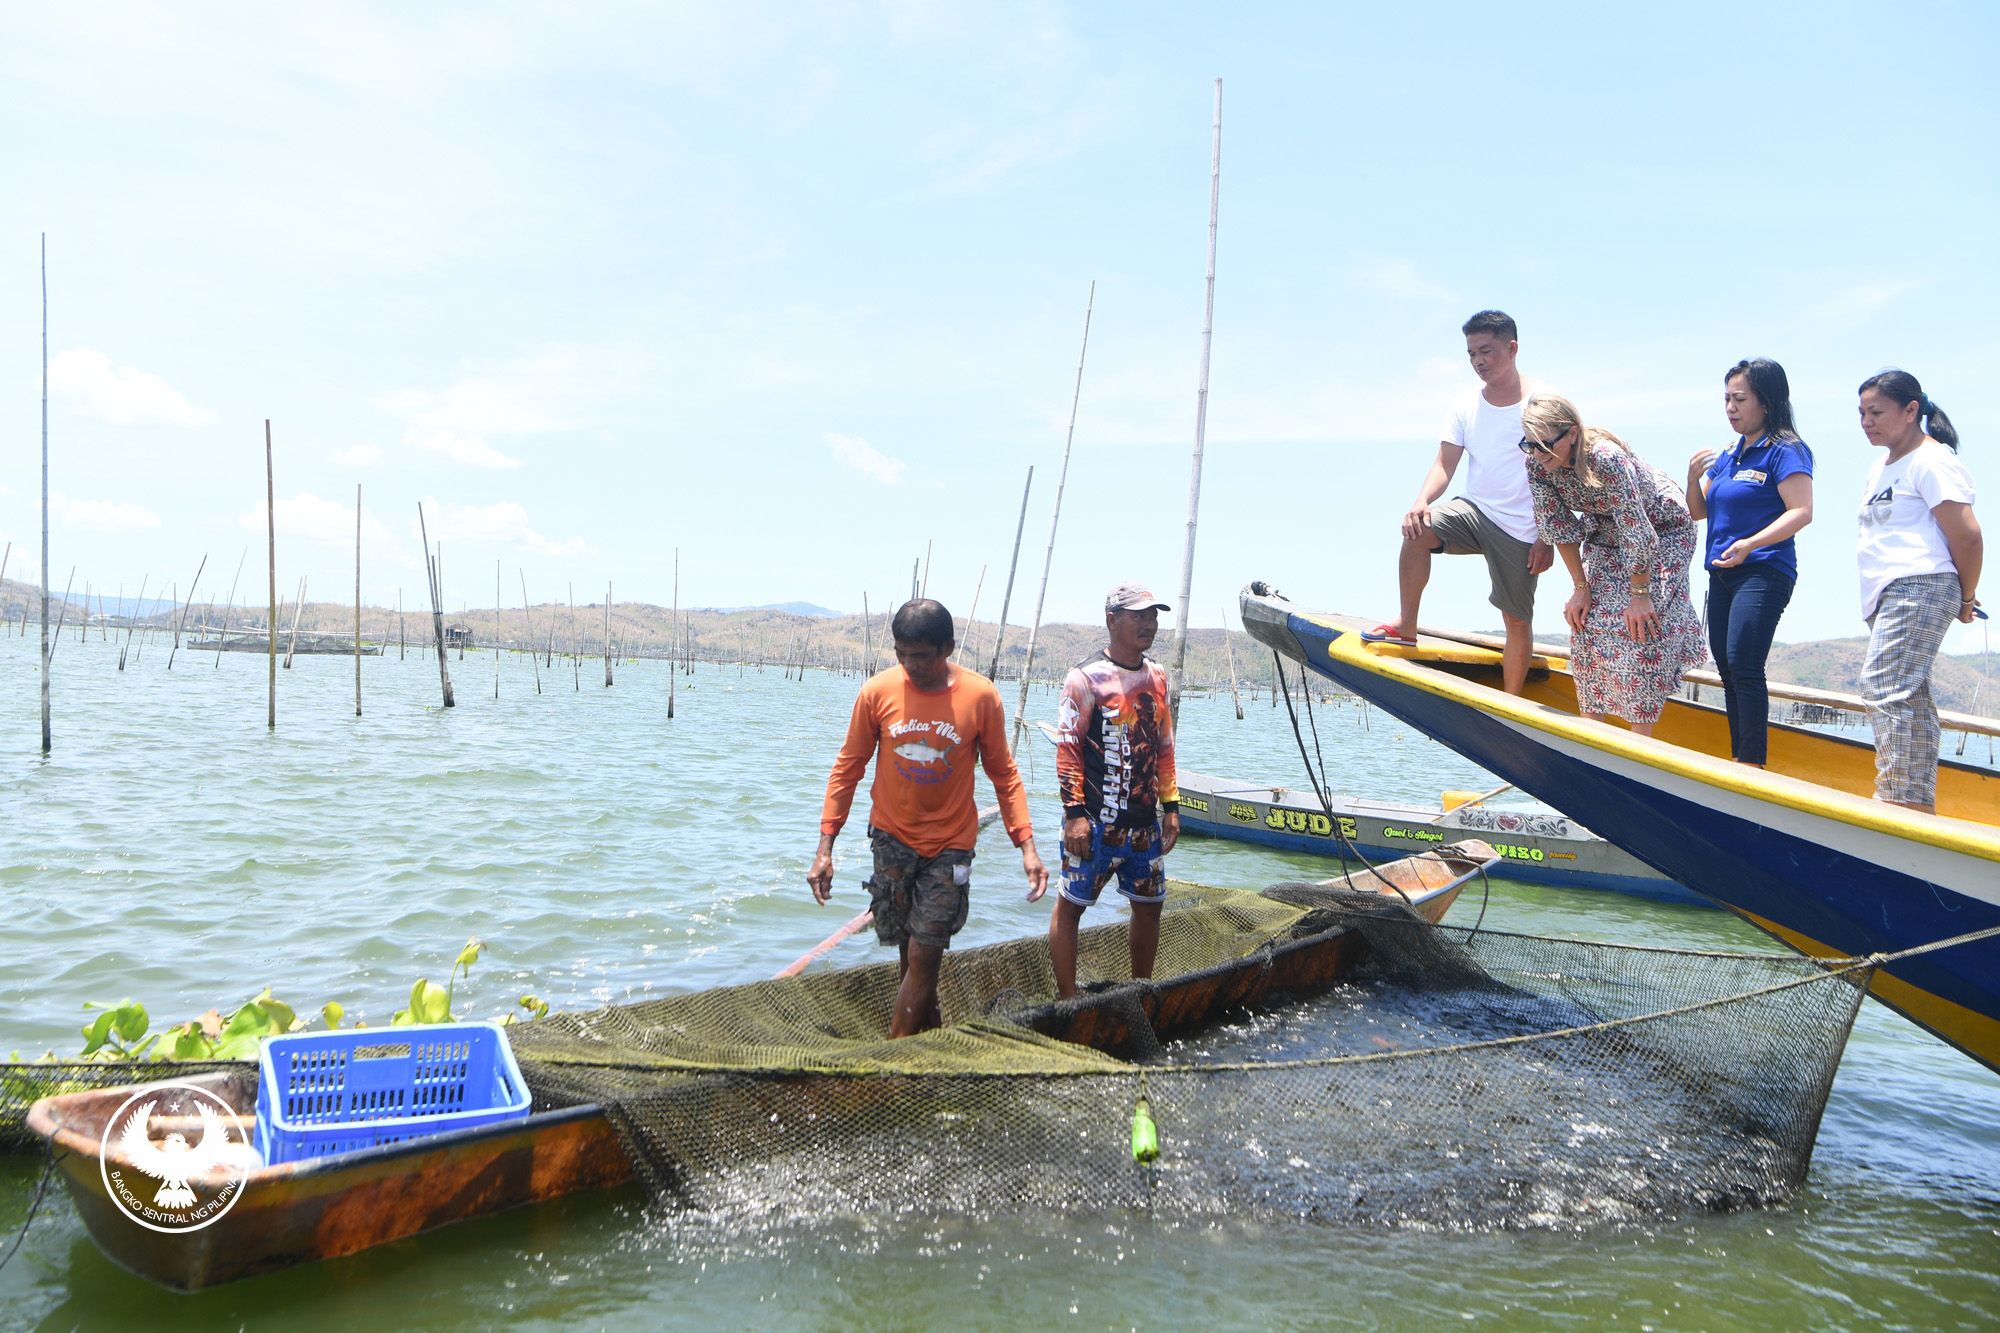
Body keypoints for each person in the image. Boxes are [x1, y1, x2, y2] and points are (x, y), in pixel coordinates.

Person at [808, 598, 1047, 1036]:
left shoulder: (980, 696)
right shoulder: (877, 692)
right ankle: (930, 1035)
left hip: (951, 846)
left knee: (926, 951)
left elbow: (1004, 775)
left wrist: (1026, 846)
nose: (910, 665)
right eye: (901, 654)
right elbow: (848, 768)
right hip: (891, 840)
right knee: (908, 949)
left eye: (920, 656)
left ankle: (892, 1053)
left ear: (947, 649)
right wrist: (826, 847)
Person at [1369, 309, 1554, 694]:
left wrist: (1547, 536)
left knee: (1516, 619)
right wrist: (1421, 501)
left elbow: (1562, 474)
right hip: (1474, 510)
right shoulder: (1465, 404)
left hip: (1522, 527)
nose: (1478, 361)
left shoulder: (1545, 402)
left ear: (1512, 348)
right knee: (1418, 529)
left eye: (1486, 351)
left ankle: (1511, 704)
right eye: (1471, 354)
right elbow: (1444, 463)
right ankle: (1406, 626)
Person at [1520, 393, 1706, 734]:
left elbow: (1637, 530)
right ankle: (1592, 731)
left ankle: (1640, 738)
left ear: (1571, 433)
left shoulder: (1606, 459)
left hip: (1662, 527)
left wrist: (1640, 595)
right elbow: (1558, 526)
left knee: (1641, 623)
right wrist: (1580, 587)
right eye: (1529, 445)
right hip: (1605, 528)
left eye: (1545, 444)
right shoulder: (1536, 464)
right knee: (1586, 620)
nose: (1537, 453)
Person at [1855, 370, 1983, 813]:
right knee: (1911, 696)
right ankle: (1915, 801)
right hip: (1888, 592)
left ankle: (1896, 798)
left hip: (1921, 583)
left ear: (1911, 410)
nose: (1867, 422)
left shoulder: (1932, 460)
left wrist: (1966, 597)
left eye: (1876, 412)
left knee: (1884, 685)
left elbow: (1967, 536)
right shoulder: (1881, 468)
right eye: (1861, 413)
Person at [1049, 583, 1180, 1000]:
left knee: (1150, 906)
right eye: (1139, 616)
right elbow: (1068, 750)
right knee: (1071, 906)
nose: (1149, 624)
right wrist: (1074, 815)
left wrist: (1171, 807)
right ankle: (1068, 999)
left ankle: (1141, 992)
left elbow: (1164, 746)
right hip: (1093, 824)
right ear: (1112, 620)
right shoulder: (1084, 678)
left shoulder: (1156, 676)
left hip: (1144, 825)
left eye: (1153, 616)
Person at [1684, 358, 1816, 766]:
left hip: (1763, 569)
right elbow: (1697, 511)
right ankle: (1739, 755)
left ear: (1767, 401)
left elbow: (1802, 511)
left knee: (1745, 663)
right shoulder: (1729, 454)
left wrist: (1750, 544)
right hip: (1722, 574)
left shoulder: (1786, 450)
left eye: (1740, 399)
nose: (1731, 408)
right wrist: (1691, 478)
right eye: (1726, 399)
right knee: (1726, 667)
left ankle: (1752, 763)